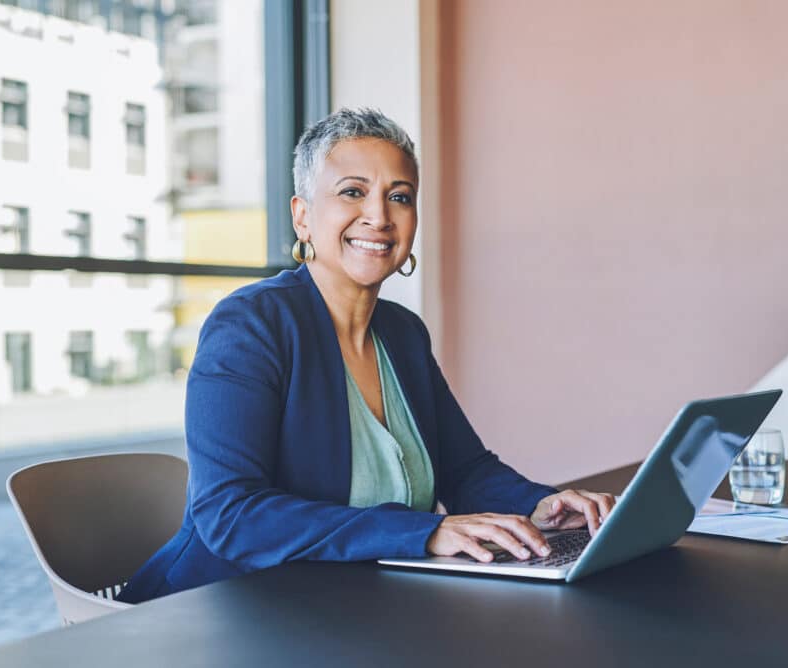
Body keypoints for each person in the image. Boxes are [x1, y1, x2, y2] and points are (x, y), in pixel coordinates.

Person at [118, 109, 614, 603]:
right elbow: (231, 514)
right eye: (353, 192)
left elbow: (464, 471)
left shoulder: (402, 332)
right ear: (303, 216)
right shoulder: (250, 325)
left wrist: (541, 504)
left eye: (399, 197)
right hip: (218, 610)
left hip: (348, 607)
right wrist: (420, 533)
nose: (379, 216)